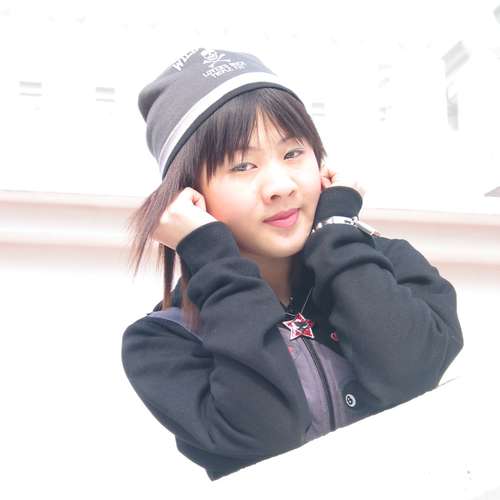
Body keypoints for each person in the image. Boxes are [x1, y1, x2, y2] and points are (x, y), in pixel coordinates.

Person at [121, 47, 464, 481]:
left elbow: (412, 374)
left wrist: (336, 231)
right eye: (242, 165)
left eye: (292, 153)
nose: (281, 186)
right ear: (189, 197)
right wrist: (208, 254)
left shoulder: (388, 264)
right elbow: (266, 437)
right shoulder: (162, 341)